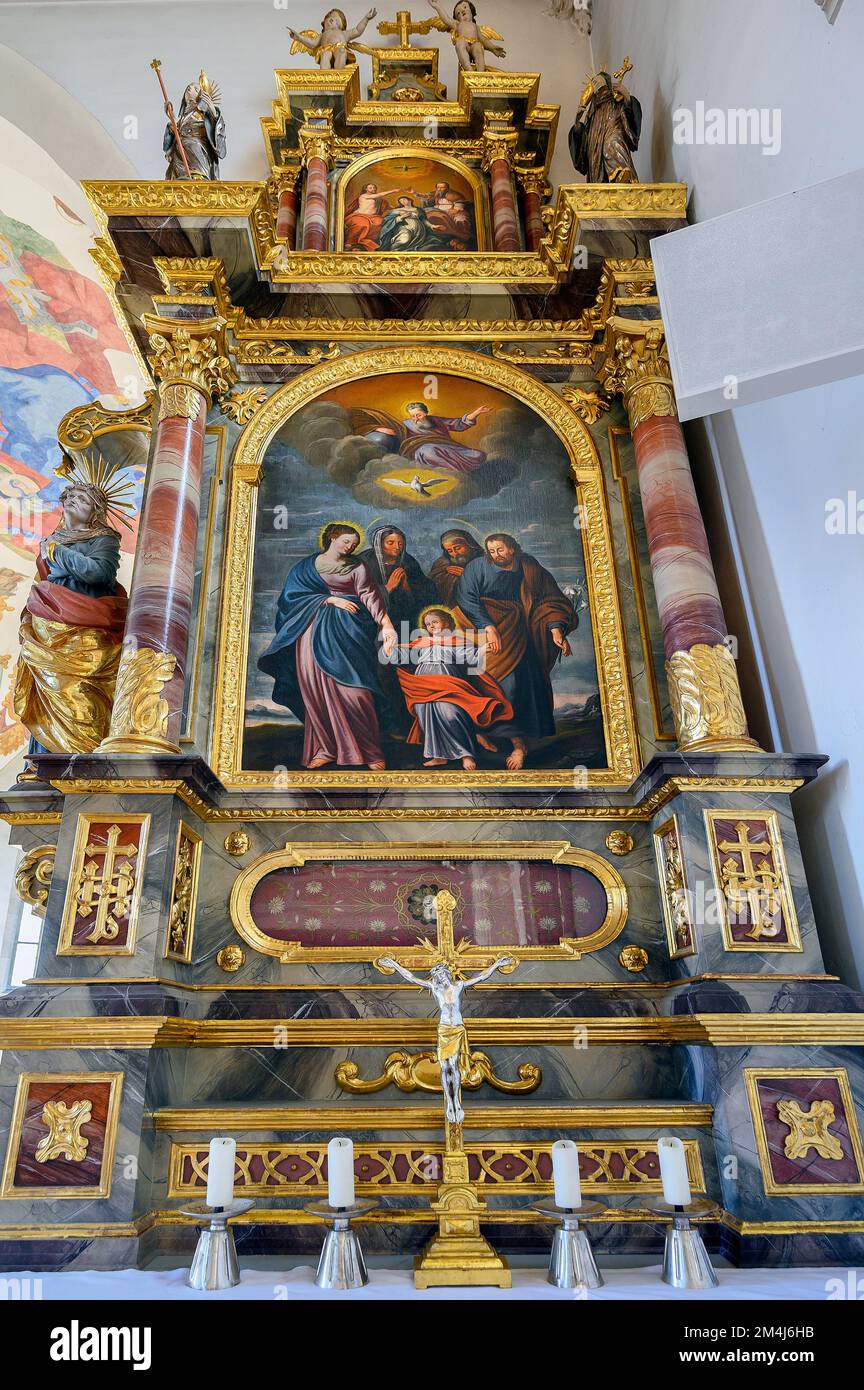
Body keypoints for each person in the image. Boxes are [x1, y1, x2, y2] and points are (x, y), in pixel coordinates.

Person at [257, 523, 397, 770]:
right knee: (316, 691)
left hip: (349, 633)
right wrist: (328, 599)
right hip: (311, 632)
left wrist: (386, 624)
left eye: (354, 544)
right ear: (332, 538)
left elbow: (369, 594)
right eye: (346, 541)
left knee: (356, 692)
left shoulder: (357, 566)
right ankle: (326, 748)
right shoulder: (305, 568)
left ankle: (370, 751)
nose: (351, 546)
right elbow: (290, 598)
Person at [14, 480, 127, 764]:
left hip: (88, 626)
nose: (75, 500)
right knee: (47, 690)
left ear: (96, 512)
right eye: (72, 496)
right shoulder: (53, 538)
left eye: (84, 500)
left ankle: (84, 762)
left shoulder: (104, 539)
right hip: (48, 622)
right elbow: (49, 579)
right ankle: (43, 767)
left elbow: (98, 573)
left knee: (78, 693)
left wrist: (56, 552)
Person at [455, 533, 576, 768]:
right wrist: (488, 627)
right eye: (491, 551)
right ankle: (480, 733)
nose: (495, 555)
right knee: (483, 681)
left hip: (518, 631)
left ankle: (519, 745)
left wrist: (554, 628)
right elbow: (466, 598)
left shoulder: (529, 567)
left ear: (512, 549)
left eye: (500, 550)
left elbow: (549, 599)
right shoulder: (477, 566)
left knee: (517, 685)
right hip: (480, 627)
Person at [376, 954, 515, 1123]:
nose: (439, 978)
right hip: (444, 1030)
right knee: (445, 1066)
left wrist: (497, 964)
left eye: (441, 975)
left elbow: (481, 976)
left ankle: (456, 1101)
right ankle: (450, 1103)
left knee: (453, 1065)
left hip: (457, 1029)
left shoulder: (458, 986)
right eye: (437, 976)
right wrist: (394, 965)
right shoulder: (435, 988)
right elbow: (411, 977)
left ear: (448, 974)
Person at [395, 607, 511, 769]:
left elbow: (470, 657)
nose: (431, 626)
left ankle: (465, 754)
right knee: (426, 715)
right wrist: (390, 648)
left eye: (435, 622)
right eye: (428, 624)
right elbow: (401, 655)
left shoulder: (457, 642)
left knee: (450, 713)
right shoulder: (421, 642)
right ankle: (438, 756)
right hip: (422, 683)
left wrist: (483, 649)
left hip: (447, 679)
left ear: (446, 622)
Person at [357, 524, 435, 737]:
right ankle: (384, 725)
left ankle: (408, 724)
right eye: (391, 542)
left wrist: (410, 588)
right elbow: (358, 597)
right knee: (381, 673)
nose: (397, 547)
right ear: (379, 543)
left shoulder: (408, 562)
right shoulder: (365, 563)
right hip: (374, 629)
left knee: (406, 672)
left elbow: (427, 592)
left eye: (400, 543)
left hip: (405, 626)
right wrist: (387, 588)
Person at [163, 76, 226, 180]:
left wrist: (213, 112)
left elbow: (216, 131)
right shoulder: (183, 117)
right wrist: (172, 122)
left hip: (196, 152)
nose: (190, 88)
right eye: (189, 87)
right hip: (179, 157)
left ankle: (199, 176)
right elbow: (174, 137)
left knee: (194, 146)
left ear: (200, 97)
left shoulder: (203, 114)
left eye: (195, 89)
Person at [343, 182, 411, 250]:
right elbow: (378, 195)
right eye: (370, 188)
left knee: (383, 223)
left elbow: (389, 206)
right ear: (366, 189)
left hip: (373, 217)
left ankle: (381, 243)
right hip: (360, 215)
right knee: (363, 224)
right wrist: (394, 190)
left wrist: (402, 209)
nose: (373, 189)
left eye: (374, 187)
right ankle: (350, 242)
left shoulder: (379, 199)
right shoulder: (364, 196)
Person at [429, 529, 483, 606]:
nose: (455, 554)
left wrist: (467, 576)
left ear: (470, 544)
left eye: (458, 548)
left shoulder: (484, 560)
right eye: (450, 551)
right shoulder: (441, 564)